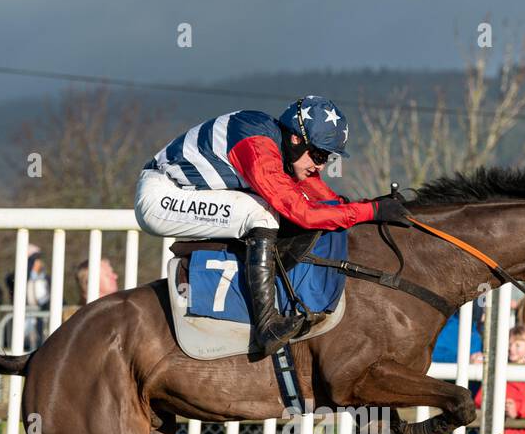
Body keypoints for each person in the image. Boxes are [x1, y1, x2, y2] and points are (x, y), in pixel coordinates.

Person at [134, 95, 406, 356]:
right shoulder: (258, 147)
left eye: (327, 158)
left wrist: (371, 207)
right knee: (261, 214)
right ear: (296, 139)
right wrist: (370, 211)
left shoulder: (283, 147)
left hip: (181, 191)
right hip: (160, 197)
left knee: (267, 210)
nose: (322, 166)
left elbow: (323, 199)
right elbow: (304, 214)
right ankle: (267, 326)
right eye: (319, 155)